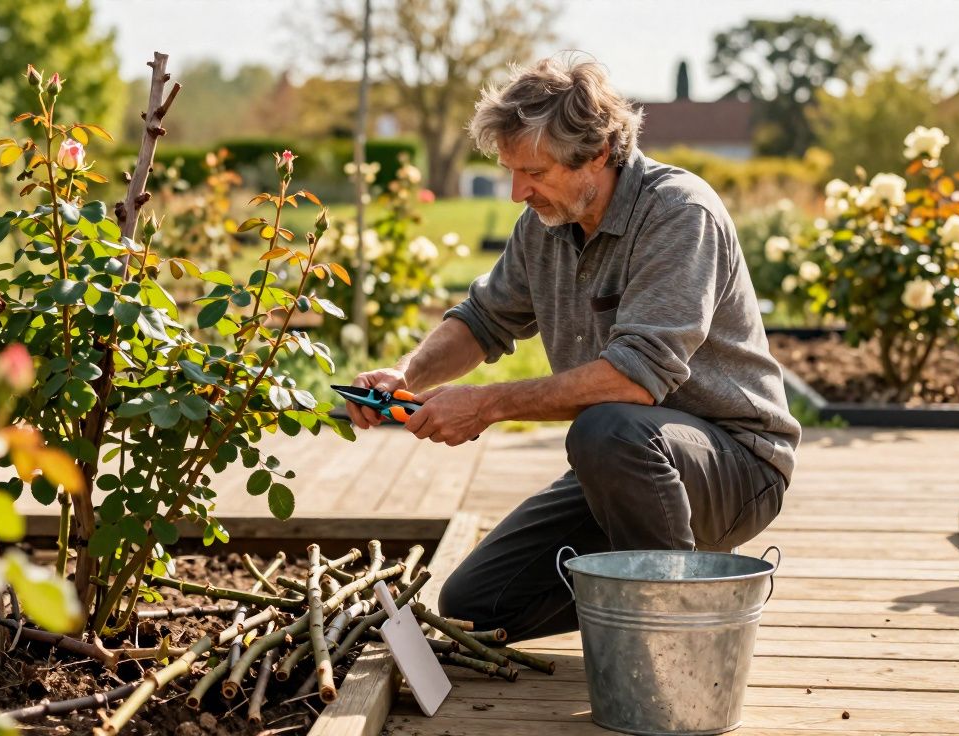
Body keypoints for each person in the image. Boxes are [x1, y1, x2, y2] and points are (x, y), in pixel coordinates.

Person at [343, 56, 801, 643]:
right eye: (510, 170)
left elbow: (635, 380)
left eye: (533, 171)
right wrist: (406, 374)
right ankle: (641, 593)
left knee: (606, 428)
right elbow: (483, 320)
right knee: (475, 606)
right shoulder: (545, 222)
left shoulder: (679, 214)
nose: (516, 192)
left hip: (734, 467)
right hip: (620, 467)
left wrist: (486, 405)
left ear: (600, 151)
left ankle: (681, 635)